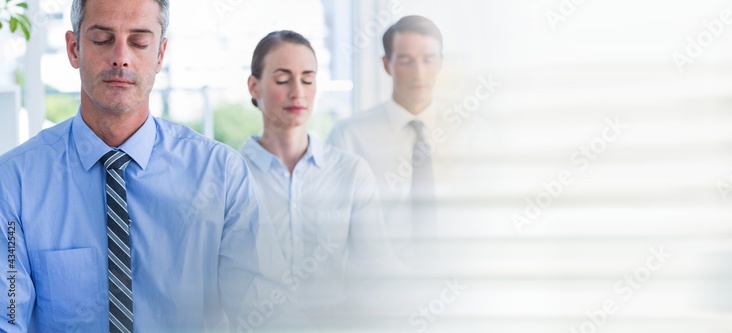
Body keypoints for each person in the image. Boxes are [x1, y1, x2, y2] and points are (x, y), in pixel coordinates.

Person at [0, 0, 300, 331]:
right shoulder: (14, 182)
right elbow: (7, 318)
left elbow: (268, 319)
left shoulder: (222, 175)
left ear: (159, 55)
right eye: (102, 39)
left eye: (140, 42)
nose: (120, 57)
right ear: (74, 49)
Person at [239, 30, 401, 325]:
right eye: (282, 79)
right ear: (254, 87)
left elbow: (376, 270)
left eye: (308, 79)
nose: (297, 92)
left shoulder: (351, 172)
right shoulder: (232, 175)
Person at [325, 15, 448, 266]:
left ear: (441, 63)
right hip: (380, 291)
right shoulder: (348, 137)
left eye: (428, 60)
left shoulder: (474, 133)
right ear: (386, 64)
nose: (419, 72)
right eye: (405, 61)